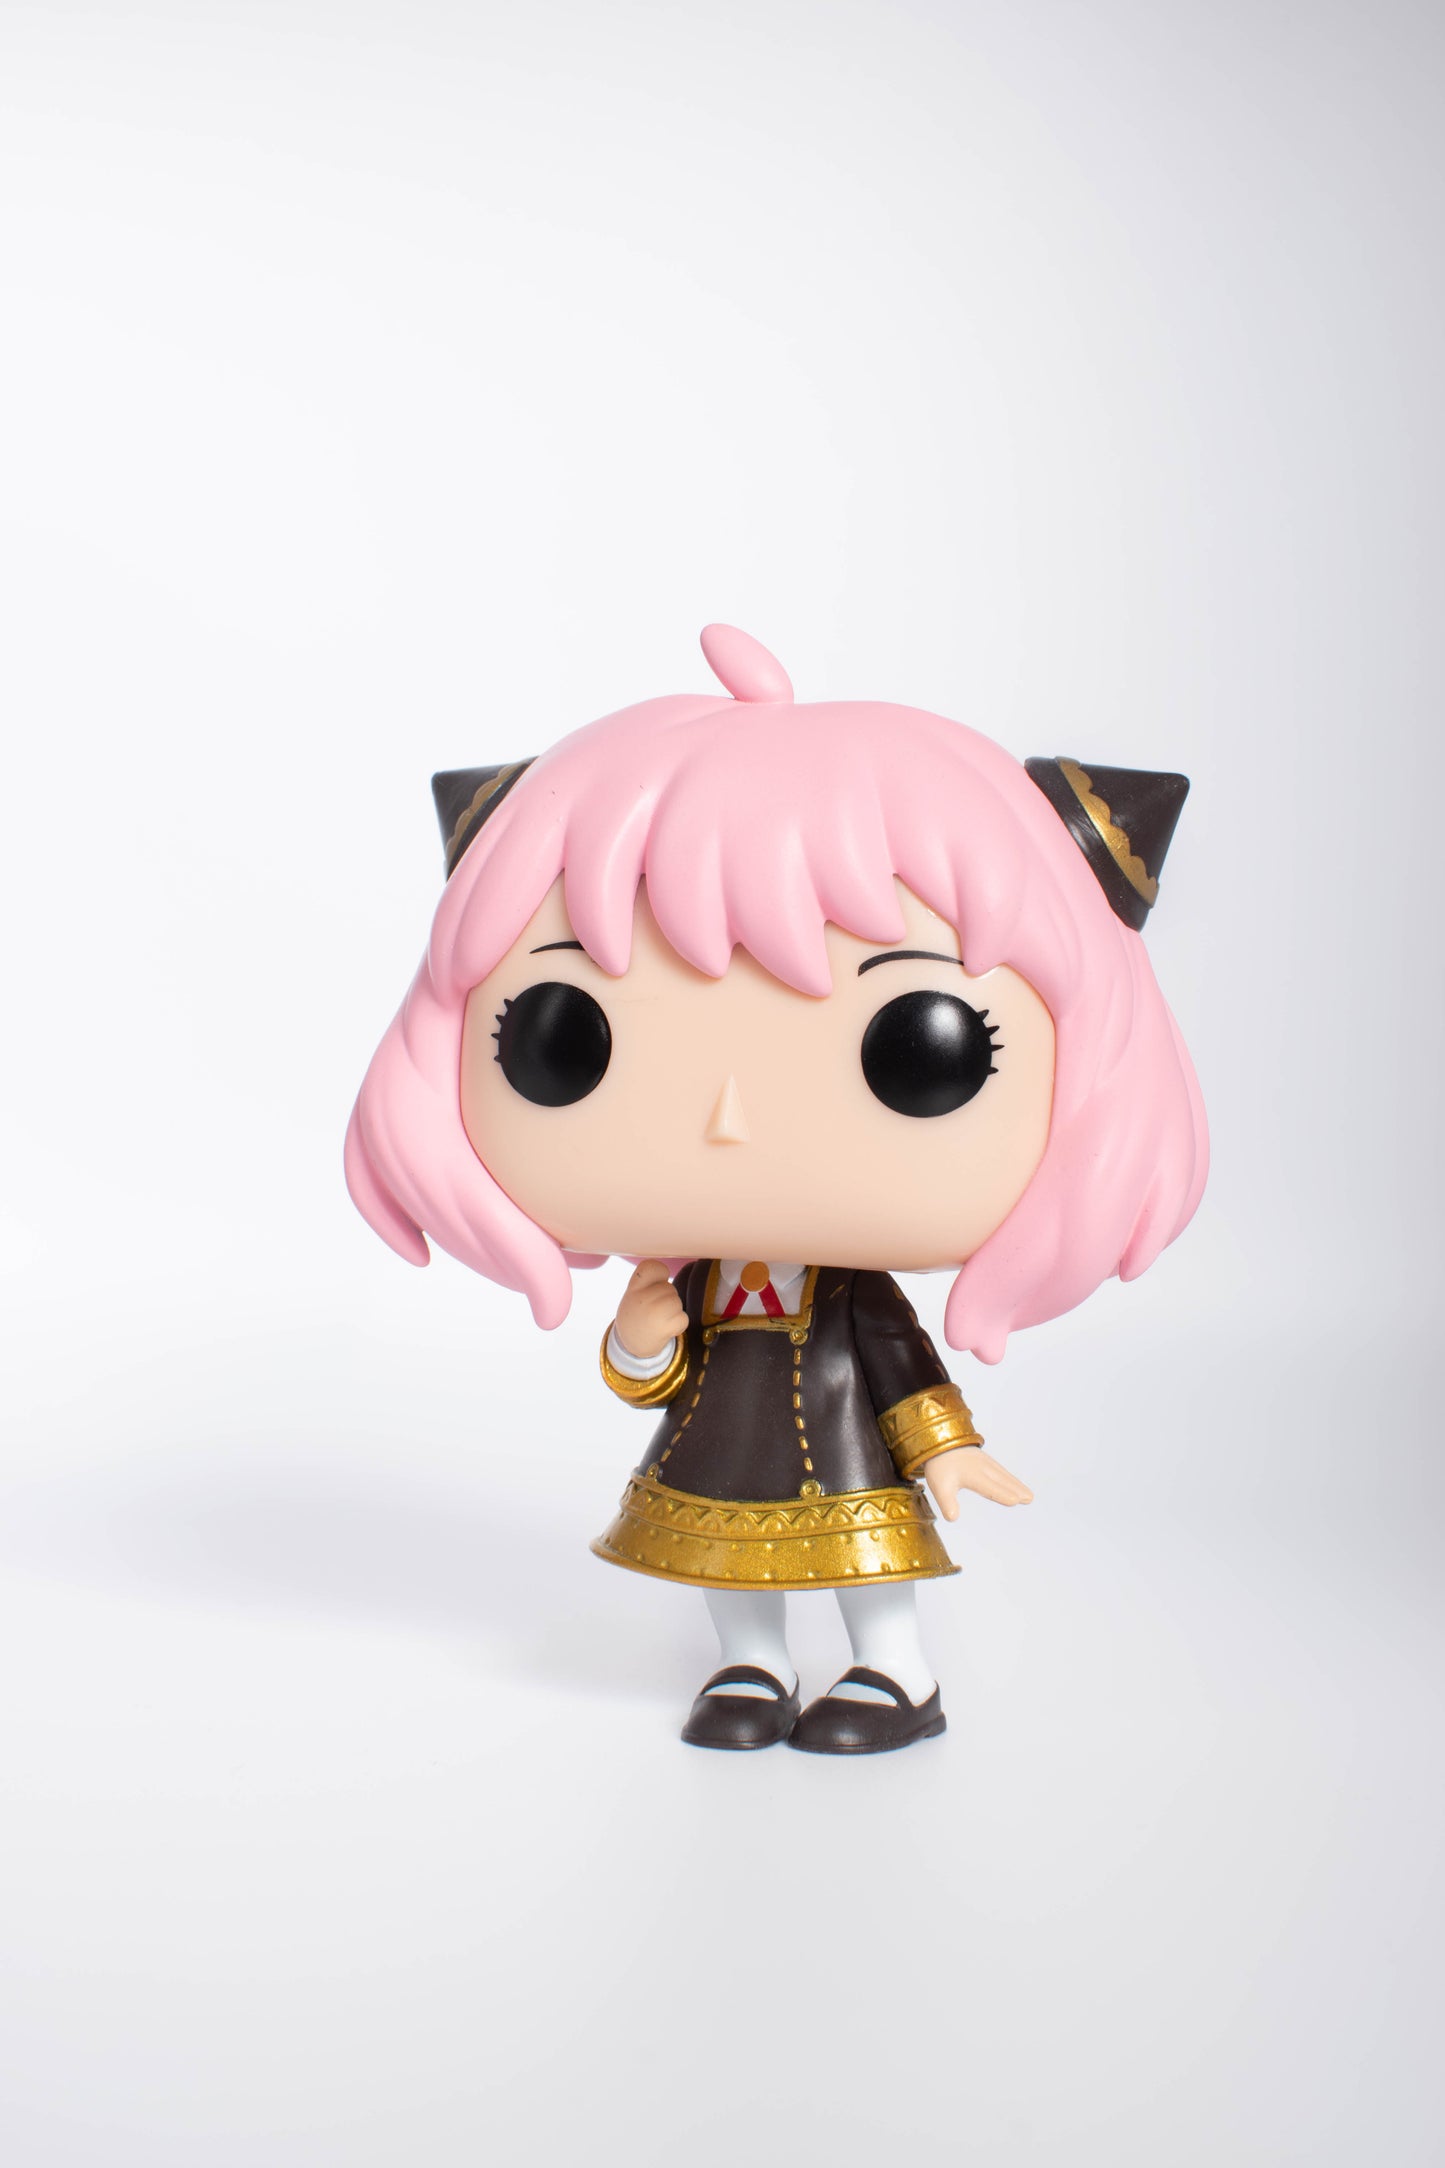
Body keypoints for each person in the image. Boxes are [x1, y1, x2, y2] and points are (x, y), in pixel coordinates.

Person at [346, 623, 1207, 1753]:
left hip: (847, 1457)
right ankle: (747, 1664)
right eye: (565, 1037)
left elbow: (898, 1360)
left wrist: (942, 1445)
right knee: (722, 1569)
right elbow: (649, 1377)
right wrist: (640, 1342)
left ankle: (892, 1671)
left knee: (868, 1565)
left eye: (917, 1045)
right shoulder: (687, 1276)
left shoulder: (849, 1292)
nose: (727, 1120)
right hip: (714, 1450)